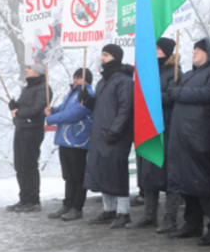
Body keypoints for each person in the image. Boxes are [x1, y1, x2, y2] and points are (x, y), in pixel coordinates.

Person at [167, 38, 210, 245]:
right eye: (193, 49)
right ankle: (192, 224)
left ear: (209, 53)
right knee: (187, 182)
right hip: (182, 137)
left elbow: (209, 94)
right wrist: (174, 88)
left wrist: (179, 92)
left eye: (198, 50)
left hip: (201, 136)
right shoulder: (189, 74)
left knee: (204, 182)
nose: (193, 53)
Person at [80, 44, 135, 229]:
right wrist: (88, 101)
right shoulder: (103, 82)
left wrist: (115, 131)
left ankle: (123, 212)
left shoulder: (124, 81)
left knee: (117, 172)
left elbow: (125, 108)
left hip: (116, 135)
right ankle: (108, 210)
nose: (102, 58)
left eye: (106, 54)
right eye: (102, 54)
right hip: (100, 133)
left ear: (116, 57)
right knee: (103, 172)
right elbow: (101, 107)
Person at [132, 37, 181, 233]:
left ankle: (170, 219)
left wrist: (151, 95)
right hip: (148, 128)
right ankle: (149, 215)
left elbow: (172, 96)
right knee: (148, 173)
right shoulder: (149, 71)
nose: (155, 51)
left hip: (166, 127)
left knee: (169, 175)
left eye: (158, 49)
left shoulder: (175, 72)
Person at [44, 68, 94, 221]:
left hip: (78, 141)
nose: (75, 80)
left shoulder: (88, 95)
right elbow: (62, 109)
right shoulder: (71, 93)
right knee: (68, 176)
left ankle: (77, 207)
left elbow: (74, 114)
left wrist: (51, 119)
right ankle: (67, 204)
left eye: (79, 78)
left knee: (78, 176)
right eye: (75, 77)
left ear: (87, 80)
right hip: (65, 140)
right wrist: (51, 110)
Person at [6, 63, 52, 213]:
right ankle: (24, 198)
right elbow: (22, 107)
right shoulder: (28, 88)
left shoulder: (44, 88)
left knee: (29, 165)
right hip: (21, 129)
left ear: (38, 72)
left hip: (32, 130)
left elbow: (36, 109)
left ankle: (33, 200)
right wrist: (14, 106)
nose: (26, 70)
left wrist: (18, 113)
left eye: (30, 68)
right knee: (20, 166)